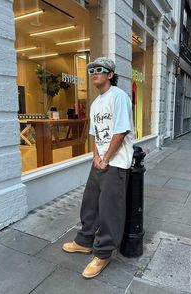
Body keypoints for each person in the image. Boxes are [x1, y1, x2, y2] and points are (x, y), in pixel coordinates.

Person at [62, 57, 134, 279]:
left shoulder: (119, 97)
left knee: (110, 208)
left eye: (99, 70)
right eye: (91, 70)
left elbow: (120, 132)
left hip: (116, 162)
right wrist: (95, 156)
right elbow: (94, 134)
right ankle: (84, 241)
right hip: (99, 161)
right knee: (90, 203)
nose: (94, 73)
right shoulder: (95, 103)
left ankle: (102, 253)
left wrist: (106, 158)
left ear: (110, 74)